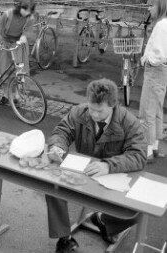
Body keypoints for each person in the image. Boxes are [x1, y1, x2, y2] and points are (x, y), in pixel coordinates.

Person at [45, 78, 147, 253]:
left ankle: (104, 221)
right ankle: (64, 238)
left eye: (99, 111)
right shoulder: (79, 112)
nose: (94, 114)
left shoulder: (129, 122)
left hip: (114, 177)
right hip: (83, 173)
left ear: (113, 105)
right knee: (52, 186)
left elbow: (139, 155)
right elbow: (62, 131)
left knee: (138, 210)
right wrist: (58, 147)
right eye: (91, 108)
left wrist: (108, 165)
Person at [0, 0, 35, 105]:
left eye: (28, 11)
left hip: (18, 45)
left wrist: (25, 36)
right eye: (24, 9)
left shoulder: (30, 18)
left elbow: (29, 31)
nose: (26, 12)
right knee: (3, 70)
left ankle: (17, 95)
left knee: (19, 71)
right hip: (5, 43)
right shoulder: (8, 14)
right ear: (20, 7)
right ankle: (6, 95)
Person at [139, 0, 167, 162]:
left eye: (151, 5)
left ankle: (147, 150)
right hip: (162, 71)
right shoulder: (164, 23)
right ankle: (155, 147)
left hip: (155, 69)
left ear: (160, 6)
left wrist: (146, 59)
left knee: (146, 112)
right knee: (156, 110)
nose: (148, 9)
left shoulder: (161, 25)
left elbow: (159, 53)